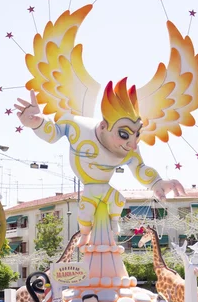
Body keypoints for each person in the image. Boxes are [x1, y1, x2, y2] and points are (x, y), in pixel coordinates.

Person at [15, 82, 185, 247]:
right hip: (90, 189)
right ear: (104, 126)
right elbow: (54, 134)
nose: (133, 144)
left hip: (105, 190)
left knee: (119, 200)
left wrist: (157, 183)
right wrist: (38, 122)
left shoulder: (130, 149)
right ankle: (85, 234)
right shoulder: (78, 126)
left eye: (137, 134)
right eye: (124, 134)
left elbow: (139, 168)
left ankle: (113, 222)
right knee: (86, 210)